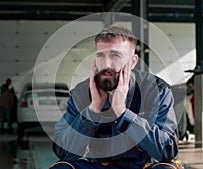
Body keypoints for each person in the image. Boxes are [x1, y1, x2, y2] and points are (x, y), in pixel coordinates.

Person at [51, 25, 181, 169]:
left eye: (115, 56)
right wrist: (93, 110)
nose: (106, 64)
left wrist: (123, 113)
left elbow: (167, 151)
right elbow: (63, 152)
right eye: (101, 55)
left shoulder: (156, 90)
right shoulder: (81, 93)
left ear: (132, 61)